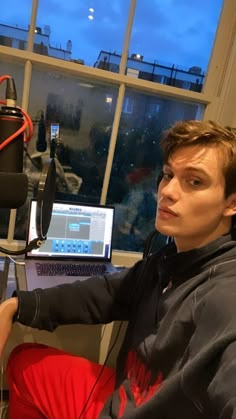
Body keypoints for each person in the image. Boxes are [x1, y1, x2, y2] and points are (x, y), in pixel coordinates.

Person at [1, 119, 236, 419]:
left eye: (195, 182)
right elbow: (106, 291)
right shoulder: (167, 261)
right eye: (167, 175)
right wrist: (17, 305)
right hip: (122, 399)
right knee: (24, 362)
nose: (168, 192)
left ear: (232, 203)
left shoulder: (226, 296)